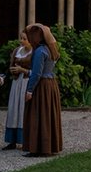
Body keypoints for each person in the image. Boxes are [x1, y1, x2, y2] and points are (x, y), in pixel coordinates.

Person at [22, 23, 63, 157]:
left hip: (42, 86)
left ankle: (37, 148)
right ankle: (48, 147)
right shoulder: (50, 49)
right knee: (47, 115)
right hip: (50, 84)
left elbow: (36, 74)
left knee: (38, 115)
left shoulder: (40, 51)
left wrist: (29, 90)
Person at [2, 29, 33, 150]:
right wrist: (13, 70)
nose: (22, 41)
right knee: (14, 109)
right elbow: (11, 65)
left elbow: (35, 71)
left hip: (26, 82)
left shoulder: (34, 52)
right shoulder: (17, 50)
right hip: (16, 82)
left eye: (25, 39)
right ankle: (12, 141)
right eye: (21, 38)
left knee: (23, 109)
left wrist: (22, 70)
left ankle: (26, 140)